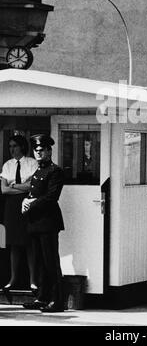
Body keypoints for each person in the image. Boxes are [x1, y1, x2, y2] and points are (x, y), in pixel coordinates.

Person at [22, 134, 65, 313]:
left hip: (47, 222)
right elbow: (33, 193)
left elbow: (51, 197)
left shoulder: (55, 171)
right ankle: (42, 297)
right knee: (39, 261)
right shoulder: (38, 170)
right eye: (36, 151)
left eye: (41, 150)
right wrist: (25, 200)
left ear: (49, 151)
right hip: (35, 222)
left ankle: (57, 300)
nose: (38, 154)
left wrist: (31, 203)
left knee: (50, 262)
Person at [1, 134, 39, 292]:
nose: (11, 149)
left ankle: (33, 280)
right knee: (14, 244)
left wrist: (13, 186)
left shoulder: (31, 163)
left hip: (27, 204)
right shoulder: (8, 165)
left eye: (14, 146)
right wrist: (20, 186)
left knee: (29, 243)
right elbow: (3, 189)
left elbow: (32, 187)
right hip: (11, 207)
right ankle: (13, 279)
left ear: (22, 147)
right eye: (10, 146)